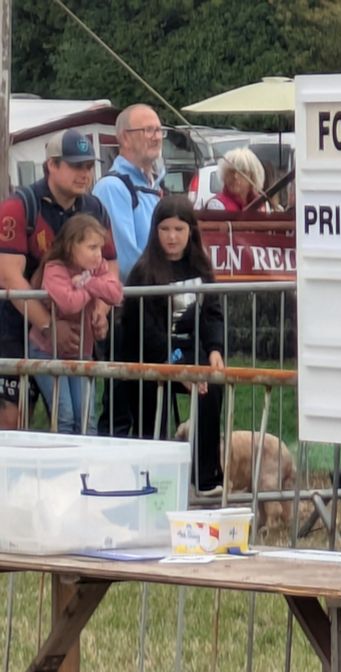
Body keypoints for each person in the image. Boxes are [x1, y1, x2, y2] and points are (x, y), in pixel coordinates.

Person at [0, 129, 116, 430]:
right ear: (52, 165)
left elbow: (110, 264)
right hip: (15, 327)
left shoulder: (96, 209)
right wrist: (50, 326)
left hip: (78, 330)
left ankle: (79, 475)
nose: (85, 174)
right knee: (12, 418)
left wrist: (101, 309)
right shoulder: (18, 206)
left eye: (89, 166)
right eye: (76, 166)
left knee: (80, 417)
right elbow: (9, 275)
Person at [122, 195, 225, 495]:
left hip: (188, 351)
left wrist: (215, 350)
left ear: (190, 231)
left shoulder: (202, 269)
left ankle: (205, 478)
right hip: (147, 358)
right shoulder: (143, 273)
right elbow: (146, 329)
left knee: (211, 387)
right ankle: (150, 481)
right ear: (155, 231)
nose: (172, 237)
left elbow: (212, 312)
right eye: (165, 229)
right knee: (151, 415)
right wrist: (175, 366)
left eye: (179, 229)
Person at [93, 103, 165, 436]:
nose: (156, 136)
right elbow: (126, 256)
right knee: (123, 406)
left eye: (158, 129)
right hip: (126, 314)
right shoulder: (113, 188)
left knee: (153, 401)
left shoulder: (154, 186)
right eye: (147, 130)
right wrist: (171, 277)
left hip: (151, 311)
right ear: (124, 138)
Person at [30, 215, 123, 433]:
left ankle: (89, 464)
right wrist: (92, 290)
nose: (99, 254)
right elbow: (69, 303)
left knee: (86, 417)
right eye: (92, 247)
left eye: (100, 248)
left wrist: (87, 282)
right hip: (47, 351)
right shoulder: (54, 268)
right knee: (65, 415)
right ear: (72, 246)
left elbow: (116, 293)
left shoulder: (95, 269)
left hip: (81, 350)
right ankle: (66, 464)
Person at [205, 147, 267, 212]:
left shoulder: (261, 202)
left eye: (242, 172)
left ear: (253, 176)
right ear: (224, 175)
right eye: (231, 171)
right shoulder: (217, 205)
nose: (235, 176)